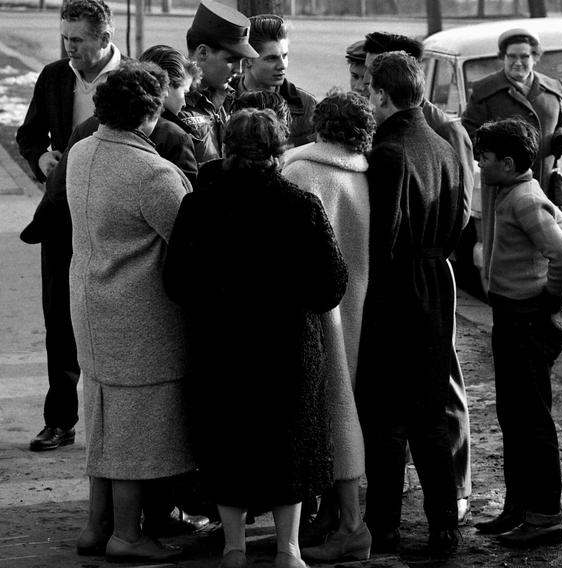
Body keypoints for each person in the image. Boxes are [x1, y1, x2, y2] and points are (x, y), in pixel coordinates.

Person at [163, 108, 348, 568]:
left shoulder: (198, 205)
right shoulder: (300, 205)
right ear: (278, 151)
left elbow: (176, 284)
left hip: (220, 347)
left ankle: (233, 547)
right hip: (286, 348)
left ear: (226, 150)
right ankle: (287, 549)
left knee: (227, 443)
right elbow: (331, 286)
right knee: (289, 445)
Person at [67, 61, 195, 561]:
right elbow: (188, 245)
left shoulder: (81, 153)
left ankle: (96, 527)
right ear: (152, 111)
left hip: (92, 305)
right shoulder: (154, 173)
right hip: (140, 317)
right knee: (134, 431)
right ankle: (127, 534)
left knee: (102, 419)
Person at [361, 30, 474, 525]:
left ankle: (383, 527)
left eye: (369, 89)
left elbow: (381, 241)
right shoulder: (442, 145)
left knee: (386, 417)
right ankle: (443, 525)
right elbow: (460, 219)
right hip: (437, 280)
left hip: (398, 288)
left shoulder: (388, 153)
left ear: (382, 96)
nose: (367, 97)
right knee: (430, 413)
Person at [17, 0, 126, 453]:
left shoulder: (133, 79)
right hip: (62, 217)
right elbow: (28, 135)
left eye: (77, 40)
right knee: (58, 319)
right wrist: (41, 159)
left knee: (117, 320)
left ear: (104, 38)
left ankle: (120, 423)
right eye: (64, 37)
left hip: (116, 220)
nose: (68, 47)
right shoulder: (54, 76)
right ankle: (59, 420)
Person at [472, 118, 562, 547]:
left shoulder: (524, 200)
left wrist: (549, 301)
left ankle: (546, 516)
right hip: (510, 318)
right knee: (513, 417)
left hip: (527, 320)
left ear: (509, 162)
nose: (479, 165)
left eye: (485, 158)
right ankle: (519, 506)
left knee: (532, 421)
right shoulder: (508, 191)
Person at [281, 91, 375, 562]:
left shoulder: (301, 172)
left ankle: (349, 528)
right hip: (359, 304)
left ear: (319, 126)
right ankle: (341, 520)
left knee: (328, 411)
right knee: (347, 406)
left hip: (316, 310)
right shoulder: (367, 173)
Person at [461, 27, 562, 192]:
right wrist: (496, 161)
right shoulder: (485, 90)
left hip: (546, 183)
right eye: (512, 56)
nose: (518, 62)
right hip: (502, 188)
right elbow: (468, 135)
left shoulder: (552, 89)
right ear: (503, 57)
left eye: (524, 56)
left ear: (535, 57)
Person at [179, 0, 258, 164]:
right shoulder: (174, 104)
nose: (239, 70)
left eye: (242, 61)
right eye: (231, 60)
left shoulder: (233, 100)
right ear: (202, 53)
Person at [232, 14, 316, 148]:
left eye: (285, 56)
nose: (282, 65)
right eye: (272, 58)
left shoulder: (308, 106)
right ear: (248, 60)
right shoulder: (222, 103)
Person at [141, 44, 201, 185]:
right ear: (166, 86)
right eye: (184, 93)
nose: (185, 103)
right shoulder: (176, 137)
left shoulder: (93, 124)